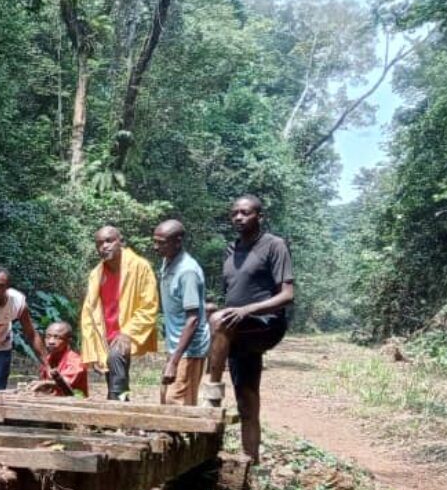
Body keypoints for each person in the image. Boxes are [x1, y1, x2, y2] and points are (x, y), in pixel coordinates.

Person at [203, 195, 294, 463]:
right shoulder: (231, 251)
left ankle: (211, 394)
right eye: (234, 213)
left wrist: (246, 310)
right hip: (237, 331)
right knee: (246, 396)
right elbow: (234, 295)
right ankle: (250, 459)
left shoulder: (274, 245)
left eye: (245, 213)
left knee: (219, 320)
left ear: (259, 217)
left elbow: (287, 295)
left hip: (267, 324)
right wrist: (221, 309)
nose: (239, 218)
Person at [78, 226, 159, 400]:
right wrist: (93, 349)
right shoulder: (96, 274)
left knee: (116, 358)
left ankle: (117, 406)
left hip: (127, 331)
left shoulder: (140, 267)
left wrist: (127, 333)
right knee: (112, 370)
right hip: (105, 332)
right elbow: (89, 314)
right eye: (99, 243)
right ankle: (121, 406)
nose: (104, 247)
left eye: (109, 241)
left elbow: (149, 305)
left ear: (120, 242)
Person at [152, 219, 209, 406]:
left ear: (178, 241)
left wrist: (173, 362)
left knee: (176, 402)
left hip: (189, 349)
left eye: (162, 243)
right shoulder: (167, 261)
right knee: (166, 399)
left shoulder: (187, 272)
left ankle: (190, 435)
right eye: (155, 241)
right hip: (175, 346)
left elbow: (193, 319)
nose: (156, 247)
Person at [33, 321, 89, 396]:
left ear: (69, 340)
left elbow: (66, 383)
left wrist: (44, 383)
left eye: (57, 337)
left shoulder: (76, 361)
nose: (51, 341)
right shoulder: (48, 359)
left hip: (75, 402)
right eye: (48, 337)